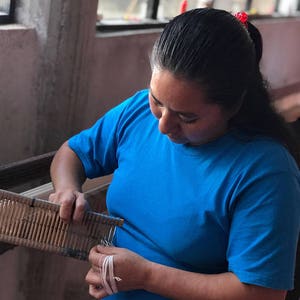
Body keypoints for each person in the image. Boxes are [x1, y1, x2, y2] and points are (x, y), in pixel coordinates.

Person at [49, 8, 300, 300]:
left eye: (187, 117)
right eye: (157, 101)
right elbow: (72, 153)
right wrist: (67, 188)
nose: (164, 125)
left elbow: (261, 294)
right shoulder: (139, 112)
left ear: (233, 106)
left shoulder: (265, 172)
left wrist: (147, 276)